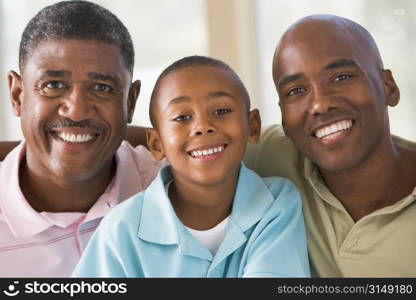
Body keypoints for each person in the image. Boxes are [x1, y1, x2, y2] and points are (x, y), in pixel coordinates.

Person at [72, 56, 310, 278]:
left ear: (253, 126)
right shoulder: (120, 229)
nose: (203, 126)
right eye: (182, 117)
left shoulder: (276, 203)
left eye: (222, 111)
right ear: (157, 143)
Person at [244, 14, 416, 277]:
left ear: (388, 86)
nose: (320, 104)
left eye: (342, 77)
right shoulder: (265, 156)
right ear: (283, 117)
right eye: (296, 91)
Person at [0, 0, 161, 277]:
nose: (77, 111)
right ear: (17, 95)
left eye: (102, 87)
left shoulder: (176, 190)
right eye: (53, 85)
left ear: (130, 101)